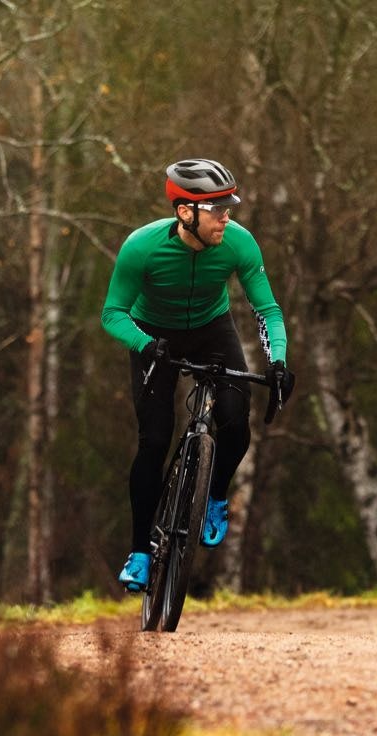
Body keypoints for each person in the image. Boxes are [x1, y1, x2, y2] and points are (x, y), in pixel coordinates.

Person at [101, 158, 294, 593]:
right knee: (153, 441)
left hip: (212, 330)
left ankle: (215, 497)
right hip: (152, 336)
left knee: (235, 422)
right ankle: (139, 554)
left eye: (229, 205)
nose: (227, 215)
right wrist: (145, 344)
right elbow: (112, 314)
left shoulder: (240, 243)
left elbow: (267, 310)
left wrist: (278, 361)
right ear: (185, 212)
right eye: (217, 208)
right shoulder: (141, 247)